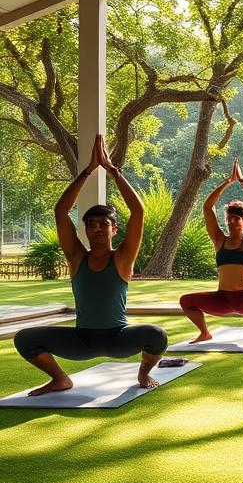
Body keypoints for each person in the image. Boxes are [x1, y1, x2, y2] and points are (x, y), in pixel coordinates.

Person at [14, 135, 167, 396]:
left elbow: (138, 211)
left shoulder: (122, 257)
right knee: (24, 339)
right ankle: (60, 379)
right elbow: (61, 211)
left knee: (157, 335)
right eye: (91, 224)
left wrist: (112, 170)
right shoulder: (76, 256)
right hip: (82, 340)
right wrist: (88, 171)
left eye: (103, 224)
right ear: (84, 229)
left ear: (114, 229)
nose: (96, 228)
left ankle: (143, 373)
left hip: (119, 338)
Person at [179, 160, 243, 344]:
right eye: (229, 219)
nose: (231, 222)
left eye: (236, 219)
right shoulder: (219, 239)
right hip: (221, 298)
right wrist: (227, 182)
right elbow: (208, 207)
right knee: (186, 301)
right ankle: (205, 333)